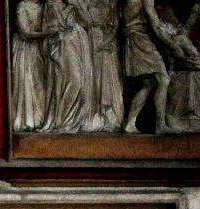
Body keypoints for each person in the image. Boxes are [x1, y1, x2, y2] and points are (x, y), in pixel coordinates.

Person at [121, 0, 175, 133]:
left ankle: (130, 123)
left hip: (133, 38)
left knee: (150, 83)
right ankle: (160, 125)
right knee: (163, 79)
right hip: (140, 39)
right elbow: (155, 25)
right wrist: (174, 46)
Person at [41, 0, 95, 132]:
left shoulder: (75, 3)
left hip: (78, 41)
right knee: (72, 81)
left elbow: (88, 23)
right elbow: (50, 28)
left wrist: (77, 5)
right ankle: (63, 121)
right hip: (62, 45)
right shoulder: (52, 4)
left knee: (80, 82)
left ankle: (70, 120)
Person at [11, 0, 61, 132]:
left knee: (39, 82)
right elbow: (26, 33)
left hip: (40, 49)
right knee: (28, 81)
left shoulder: (43, 6)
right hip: (26, 49)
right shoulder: (22, 6)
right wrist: (48, 33)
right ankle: (27, 119)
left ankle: (39, 119)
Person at [84, 0, 124, 131]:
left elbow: (115, 27)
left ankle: (109, 116)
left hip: (106, 43)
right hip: (91, 40)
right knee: (93, 78)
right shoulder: (87, 2)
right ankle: (95, 116)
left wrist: (103, 44)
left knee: (107, 78)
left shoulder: (112, 3)